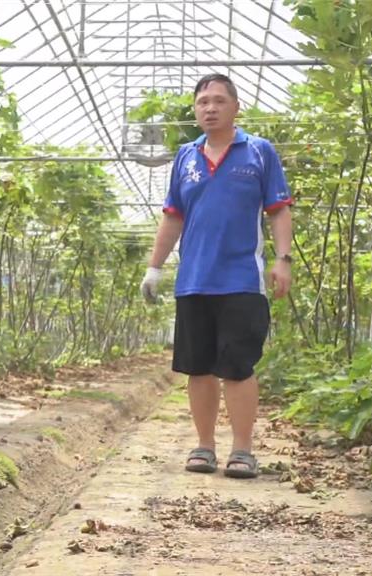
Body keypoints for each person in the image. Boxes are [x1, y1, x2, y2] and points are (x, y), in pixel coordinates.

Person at [140, 73, 293, 479]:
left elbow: (278, 209)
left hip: (243, 278)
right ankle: (204, 446)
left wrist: (283, 259)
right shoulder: (185, 158)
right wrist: (155, 268)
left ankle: (242, 450)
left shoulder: (259, 152)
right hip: (194, 280)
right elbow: (173, 216)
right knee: (199, 366)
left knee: (239, 365)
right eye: (203, 101)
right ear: (195, 110)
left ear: (235, 106)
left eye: (219, 100)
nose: (210, 108)